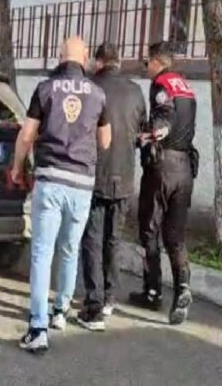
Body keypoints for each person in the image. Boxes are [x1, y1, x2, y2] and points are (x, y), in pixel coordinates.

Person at [12, 37, 111, 354]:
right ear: (85, 57)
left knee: (42, 253)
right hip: (81, 183)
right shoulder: (98, 93)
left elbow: (27, 134)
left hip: (50, 178)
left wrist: (17, 166)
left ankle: (37, 328)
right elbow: (105, 141)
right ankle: (60, 311)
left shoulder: (45, 89)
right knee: (69, 249)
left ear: (59, 56)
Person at [77, 43, 147, 331]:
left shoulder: (89, 88)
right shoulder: (136, 91)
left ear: (99, 62)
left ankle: (93, 302)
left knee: (92, 239)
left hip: (94, 174)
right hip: (125, 177)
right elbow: (141, 132)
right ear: (119, 61)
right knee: (113, 240)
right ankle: (109, 297)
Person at [130, 41, 198, 325]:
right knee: (175, 235)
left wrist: (142, 136)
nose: (146, 68)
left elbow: (163, 124)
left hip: (162, 168)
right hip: (185, 169)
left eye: (147, 62)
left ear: (157, 61)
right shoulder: (185, 86)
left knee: (149, 228)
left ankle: (153, 291)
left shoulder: (162, 84)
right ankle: (182, 287)